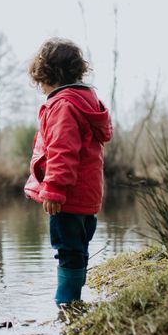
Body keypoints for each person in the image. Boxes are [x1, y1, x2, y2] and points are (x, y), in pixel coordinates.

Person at [24, 38, 113, 305]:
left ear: (48, 73)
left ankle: (67, 302)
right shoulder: (86, 100)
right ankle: (75, 298)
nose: (40, 87)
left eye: (41, 80)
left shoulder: (63, 105)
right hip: (87, 194)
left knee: (67, 250)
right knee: (78, 247)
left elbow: (63, 152)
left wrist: (54, 190)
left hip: (69, 196)